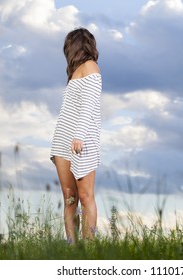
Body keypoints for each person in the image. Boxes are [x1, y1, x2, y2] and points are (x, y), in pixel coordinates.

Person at [50, 27, 102, 243]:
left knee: (85, 195)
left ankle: (89, 249)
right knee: (70, 198)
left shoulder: (91, 68)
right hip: (63, 138)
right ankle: (71, 249)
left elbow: (89, 107)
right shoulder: (75, 71)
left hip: (82, 140)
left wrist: (79, 135)